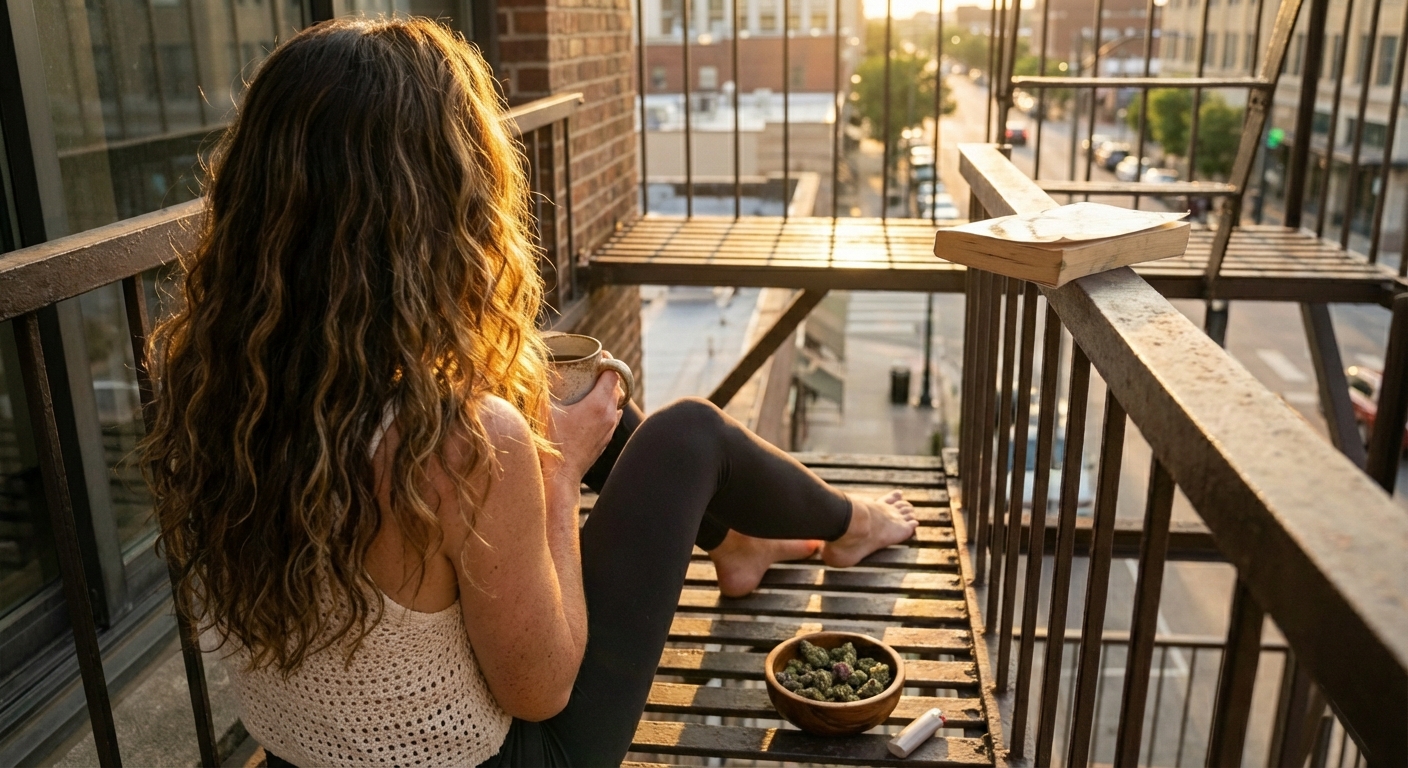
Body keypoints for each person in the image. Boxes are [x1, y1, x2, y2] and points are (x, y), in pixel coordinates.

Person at [142, 17, 919, 767]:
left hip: (300, 750)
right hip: (513, 758)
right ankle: (846, 525)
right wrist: (557, 475)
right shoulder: (461, 443)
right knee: (686, 436)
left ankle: (739, 542)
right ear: (444, 212)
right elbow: (542, 692)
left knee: (547, 371)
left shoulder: (207, 385)